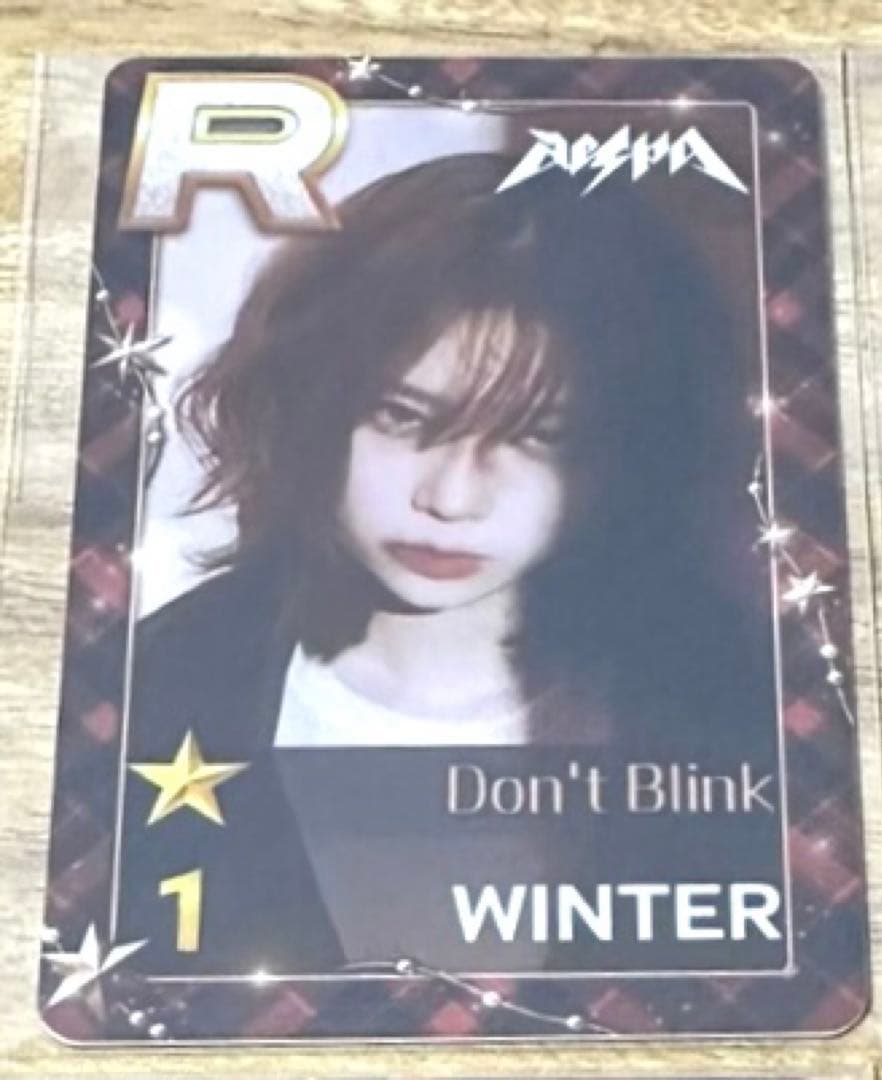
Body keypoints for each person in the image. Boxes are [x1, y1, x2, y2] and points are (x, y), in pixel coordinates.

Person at [117, 153, 779, 978]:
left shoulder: (745, 717)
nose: (451, 498)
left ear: (630, 451)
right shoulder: (156, 684)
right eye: (401, 417)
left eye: (539, 437)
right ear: (311, 401)